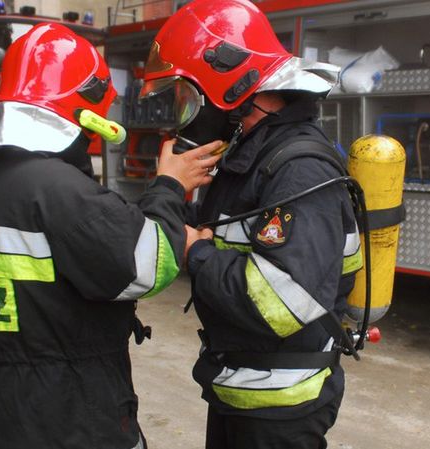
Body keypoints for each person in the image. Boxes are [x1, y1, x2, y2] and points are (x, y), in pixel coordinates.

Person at [0, 23, 219, 449]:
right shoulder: (63, 193)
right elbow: (149, 266)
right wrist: (169, 187)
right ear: (84, 110)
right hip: (76, 416)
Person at [139, 1, 360, 448]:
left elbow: (282, 300)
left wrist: (196, 254)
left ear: (231, 86)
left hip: (279, 407)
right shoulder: (251, 155)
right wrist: (170, 190)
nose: (188, 113)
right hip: (243, 386)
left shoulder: (299, 169)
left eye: (189, 95)